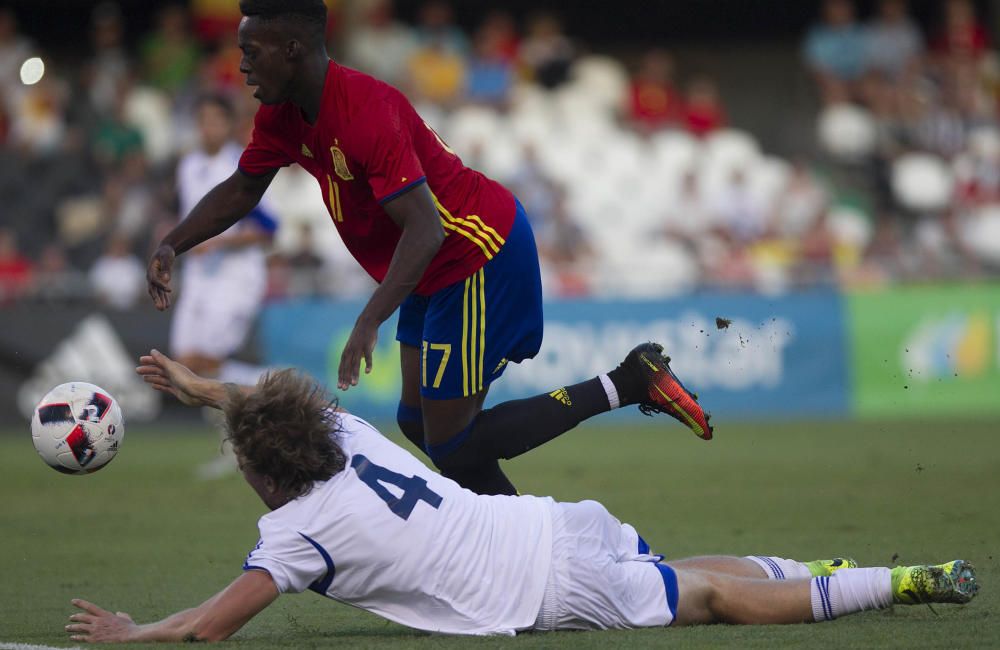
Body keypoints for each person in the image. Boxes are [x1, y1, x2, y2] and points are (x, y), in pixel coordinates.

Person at [145, 0, 713, 498]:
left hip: (474, 254)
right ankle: (518, 532)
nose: (241, 64)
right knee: (418, 424)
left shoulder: (367, 112)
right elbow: (243, 188)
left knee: (452, 436)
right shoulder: (282, 115)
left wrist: (369, 321)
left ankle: (628, 382)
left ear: (291, 49)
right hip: (429, 268)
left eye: (252, 50)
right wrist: (174, 243)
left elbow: (426, 229)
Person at [63, 351, 979, 643]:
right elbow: (266, 405)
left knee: (709, 600)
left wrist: (132, 633)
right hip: (547, 519)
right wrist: (201, 388)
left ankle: (901, 583)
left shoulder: (298, 533)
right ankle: (828, 570)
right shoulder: (348, 436)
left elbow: (210, 626)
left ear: (263, 473)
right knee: (678, 572)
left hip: (545, 586)